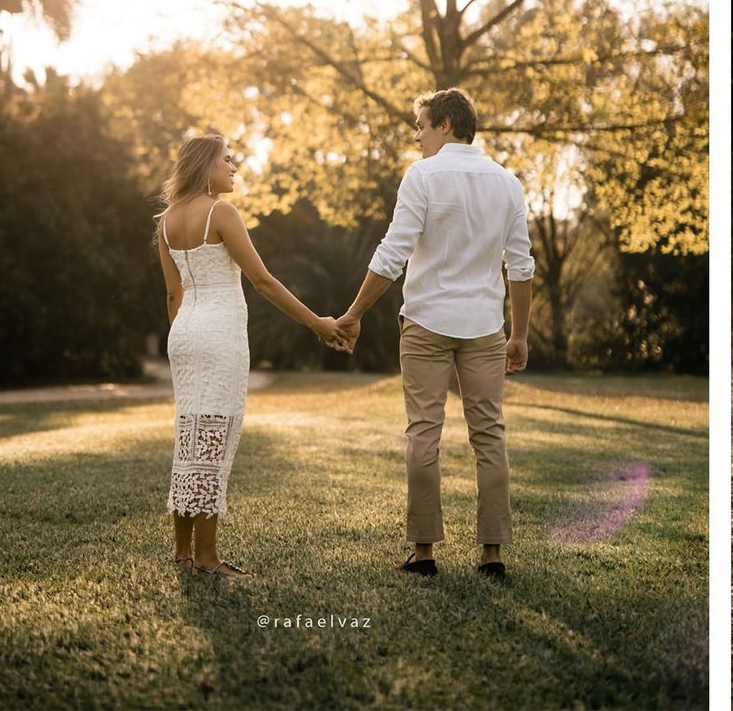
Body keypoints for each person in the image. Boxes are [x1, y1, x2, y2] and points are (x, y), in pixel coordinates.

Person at [333, 87, 533, 580]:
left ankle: (424, 554)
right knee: (490, 436)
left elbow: (392, 253)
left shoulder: (422, 176)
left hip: (425, 323)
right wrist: (520, 335)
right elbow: (521, 266)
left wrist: (354, 312)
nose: (417, 136)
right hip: (486, 326)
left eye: (421, 125)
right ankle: (492, 556)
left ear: (446, 124)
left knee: (424, 431)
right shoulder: (508, 182)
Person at [157, 133, 349, 579]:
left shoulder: (166, 221)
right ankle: (206, 559)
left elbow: (172, 293)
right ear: (206, 166)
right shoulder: (221, 212)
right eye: (227, 160)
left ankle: (183, 555)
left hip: (184, 333)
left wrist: (185, 336)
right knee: (212, 441)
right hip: (219, 333)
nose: (233, 167)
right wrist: (317, 322)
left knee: (189, 439)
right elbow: (262, 281)